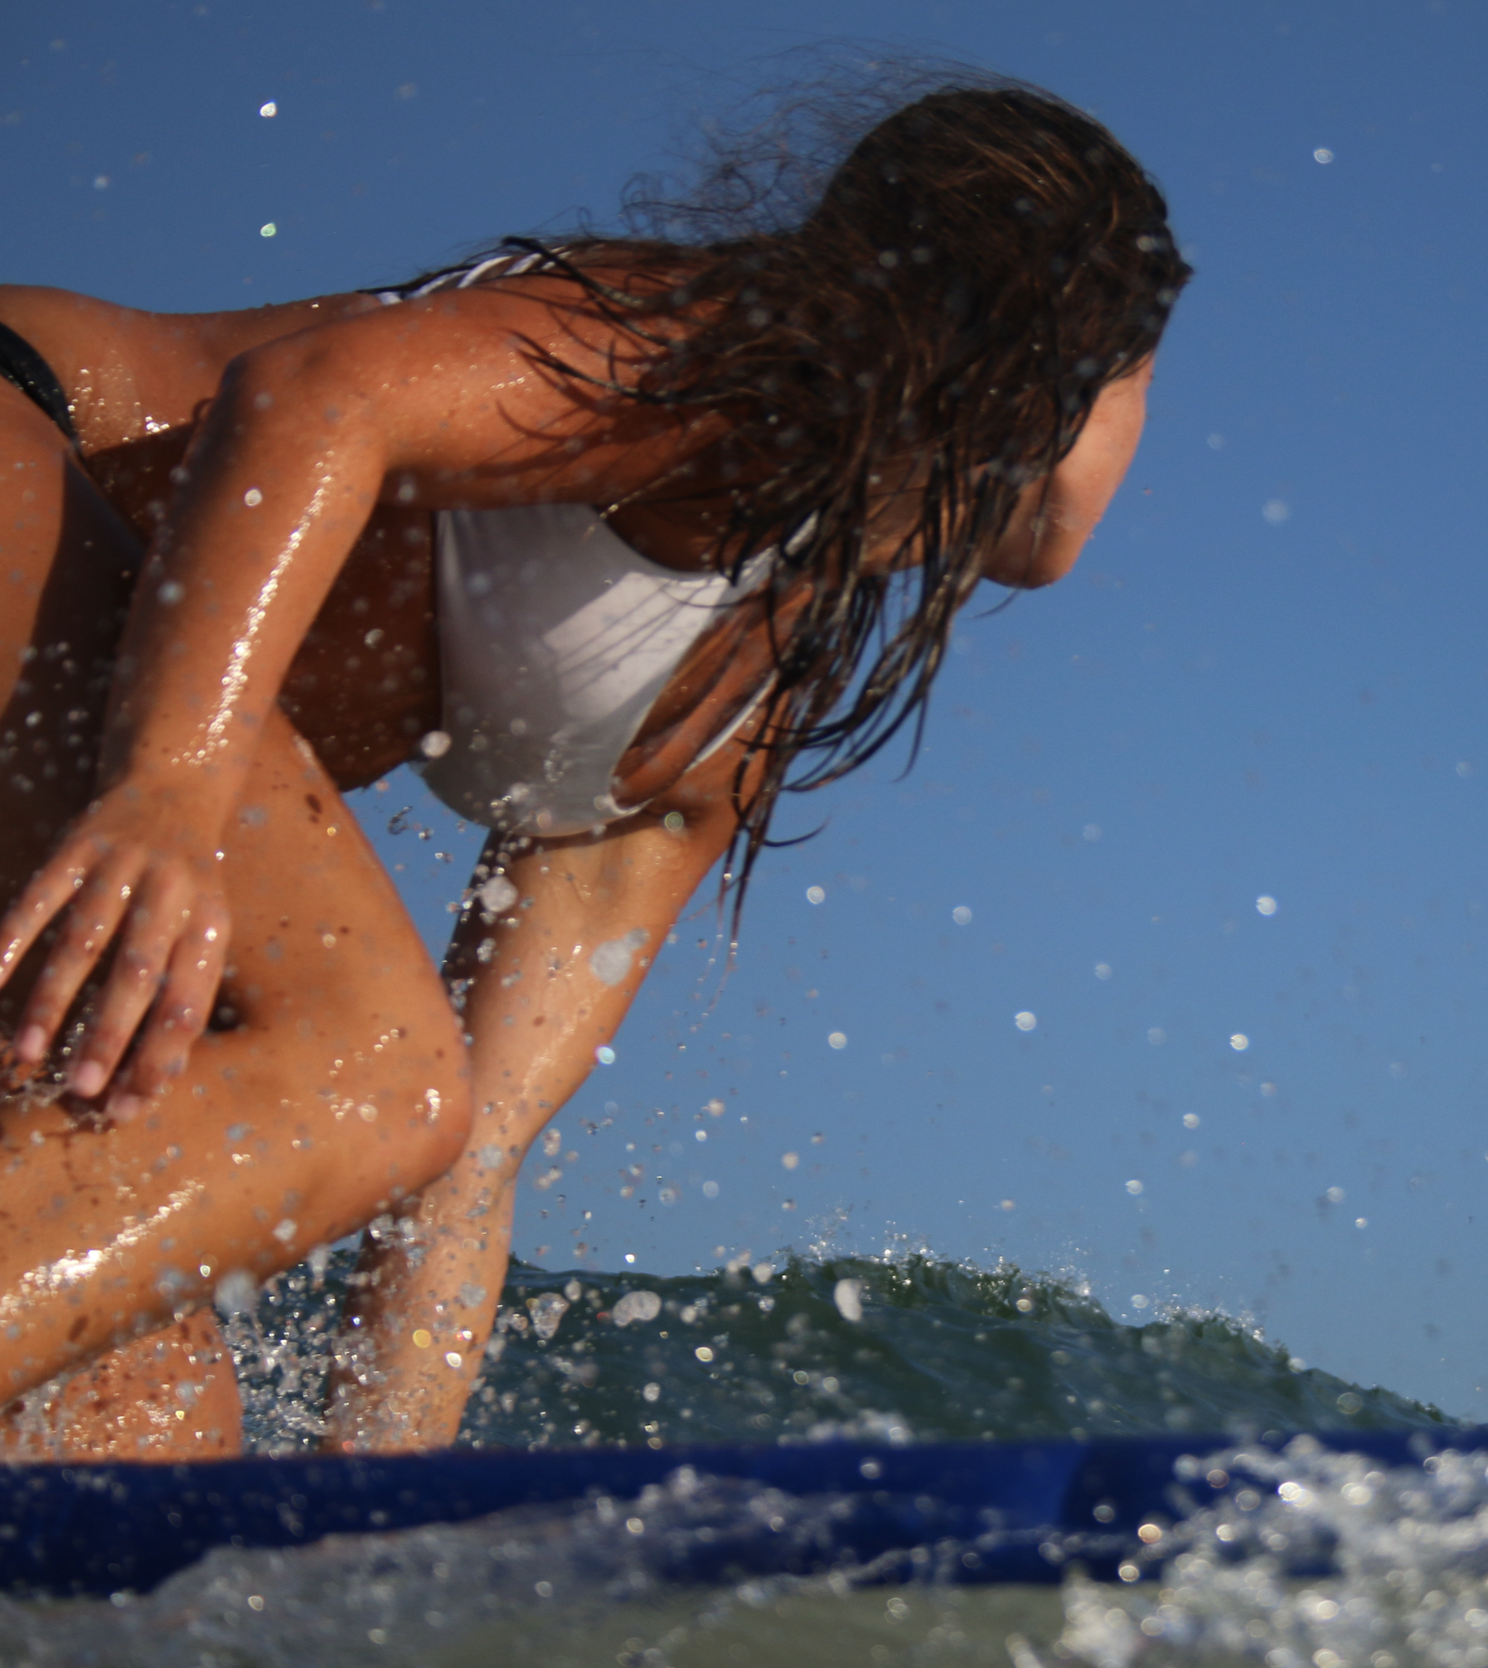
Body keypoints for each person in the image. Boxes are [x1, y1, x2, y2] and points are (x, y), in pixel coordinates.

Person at [0, 75, 1187, 1458]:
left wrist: (365, 1517)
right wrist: (173, 786)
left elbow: (463, 1167)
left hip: (47, 778)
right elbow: (313, 398)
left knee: (142, 1451)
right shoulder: (689, 362)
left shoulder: (728, 713)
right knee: (370, 1068)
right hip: (31, 451)